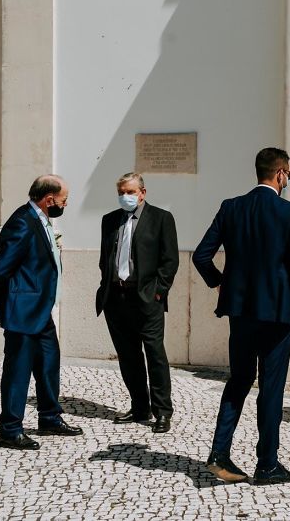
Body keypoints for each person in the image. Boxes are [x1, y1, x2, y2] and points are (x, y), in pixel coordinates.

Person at [193, 147, 290, 485]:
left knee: (239, 380)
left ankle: (219, 451)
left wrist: (220, 285)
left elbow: (202, 256)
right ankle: (267, 463)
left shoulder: (232, 208)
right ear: (281, 174)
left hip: (240, 312)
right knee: (271, 387)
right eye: (289, 175)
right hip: (277, 313)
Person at [0, 175, 83, 449]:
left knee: (49, 364)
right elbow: (2, 267)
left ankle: (49, 417)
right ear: (49, 199)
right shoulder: (22, 222)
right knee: (18, 371)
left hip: (41, 310)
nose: (65, 204)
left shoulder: (39, 219)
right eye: (63, 200)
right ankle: (10, 430)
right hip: (23, 312)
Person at [96, 172, 179, 433]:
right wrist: (106, 285)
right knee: (128, 356)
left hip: (146, 298)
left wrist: (158, 292)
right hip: (116, 298)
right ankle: (139, 406)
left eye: (130, 192)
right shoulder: (109, 220)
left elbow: (170, 261)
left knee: (155, 354)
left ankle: (162, 411)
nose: (125, 197)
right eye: (121, 192)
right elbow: (105, 257)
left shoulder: (161, 219)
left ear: (142, 192)